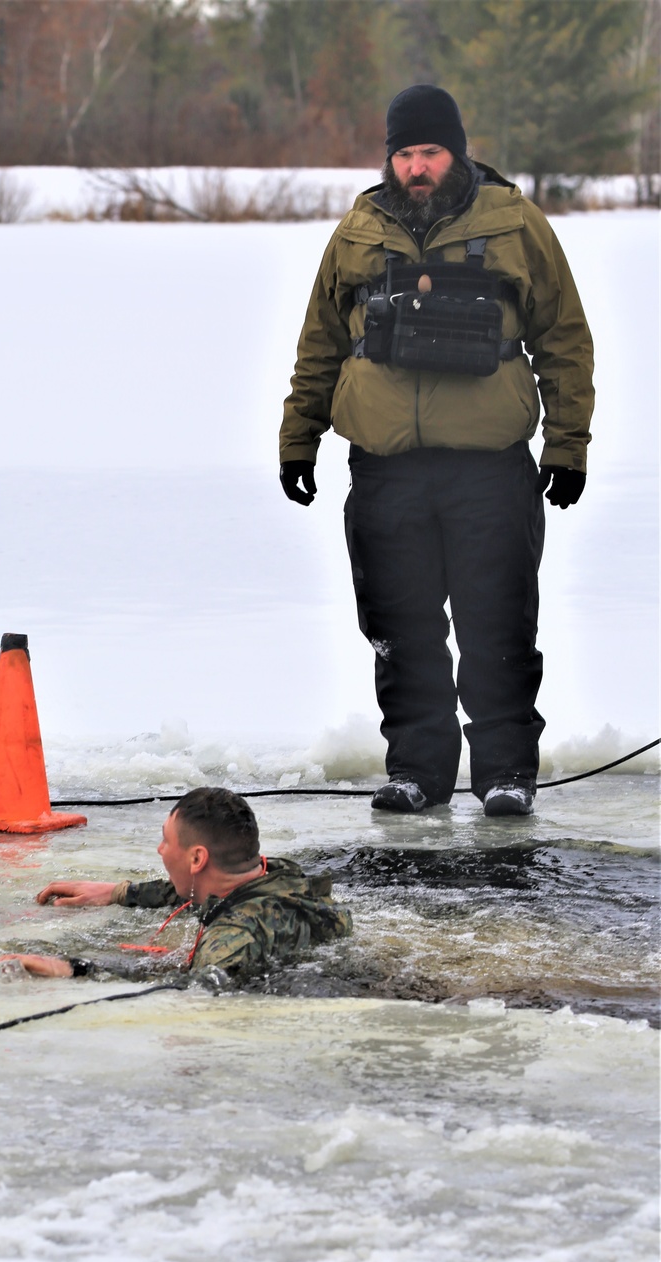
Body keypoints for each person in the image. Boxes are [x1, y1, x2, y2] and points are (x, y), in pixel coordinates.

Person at [279, 84, 594, 818]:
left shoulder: (516, 222)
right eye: (405, 154)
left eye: (430, 151)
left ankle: (505, 774)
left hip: (488, 468)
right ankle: (417, 771)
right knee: (400, 626)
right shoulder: (359, 228)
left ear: (458, 151)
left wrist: (568, 444)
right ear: (391, 158)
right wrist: (300, 439)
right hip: (386, 469)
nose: (417, 167)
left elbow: (564, 339)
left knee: (498, 625)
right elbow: (320, 342)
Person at [0, 786, 351, 985]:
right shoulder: (281, 875)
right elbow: (194, 890)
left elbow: (195, 986)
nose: (160, 850)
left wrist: (72, 968)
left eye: (166, 841)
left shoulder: (233, 938)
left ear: (196, 859)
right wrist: (118, 892)